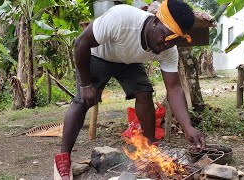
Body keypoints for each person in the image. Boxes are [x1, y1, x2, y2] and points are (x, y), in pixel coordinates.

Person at [54, 0, 206, 179]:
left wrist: (187, 127)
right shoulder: (121, 18)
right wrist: (86, 85)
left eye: (173, 42)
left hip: (128, 62)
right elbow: (81, 43)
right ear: (156, 21)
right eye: (166, 36)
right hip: (98, 55)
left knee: (144, 93)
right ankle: (63, 158)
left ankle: (150, 150)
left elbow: (174, 88)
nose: (166, 44)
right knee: (82, 101)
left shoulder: (168, 50)